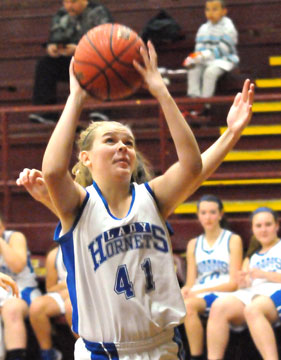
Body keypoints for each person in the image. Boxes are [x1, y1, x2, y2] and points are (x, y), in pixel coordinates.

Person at [17, 39, 254, 359]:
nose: (122, 146)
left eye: (128, 141)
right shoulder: (79, 206)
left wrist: (161, 91)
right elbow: (54, 170)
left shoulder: (152, 199)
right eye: (111, 140)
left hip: (163, 348)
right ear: (86, 158)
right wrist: (76, 98)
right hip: (103, 352)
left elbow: (192, 166)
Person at [207, 207, 281, 360]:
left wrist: (265, 274)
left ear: (277, 226)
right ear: (253, 229)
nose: (263, 230)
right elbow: (245, 285)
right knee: (219, 306)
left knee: (253, 309)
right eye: (258, 226)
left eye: (268, 224)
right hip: (254, 293)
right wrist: (243, 282)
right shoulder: (251, 256)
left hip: (275, 290)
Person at [29, 0, 113, 124]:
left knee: (107, 62)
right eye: (66, 2)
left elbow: (105, 41)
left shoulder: (99, 12)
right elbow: (55, 36)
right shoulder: (62, 14)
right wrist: (53, 47)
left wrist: (80, 48)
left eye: (73, 2)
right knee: (45, 65)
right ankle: (45, 112)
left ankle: (103, 110)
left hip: (94, 59)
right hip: (71, 60)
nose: (69, 6)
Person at [180, 194, 243, 360]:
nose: (208, 217)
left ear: (221, 214)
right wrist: (184, 290)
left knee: (189, 306)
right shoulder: (193, 244)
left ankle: (198, 356)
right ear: (198, 215)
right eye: (204, 212)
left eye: (212, 212)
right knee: (182, 303)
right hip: (200, 294)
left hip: (224, 294)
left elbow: (233, 284)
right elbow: (190, 282)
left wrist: (199, 290)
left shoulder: (232, 240)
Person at [183, 0, 239, 116]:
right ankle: (194, 101)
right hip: (205, 60)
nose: (210, 13)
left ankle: (205, 105)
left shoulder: (229, 28)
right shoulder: (203, 28)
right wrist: (194, 58)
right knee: (193, 68)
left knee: (210, 72)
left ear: (224, 11)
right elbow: (199, 49)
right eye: (208, 9)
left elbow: (222, 50)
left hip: (224, 60)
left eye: (215, 9)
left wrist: (204, 55)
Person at [0, 212, 41, 360]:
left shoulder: (15, 237)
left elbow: (17, 266)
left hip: (23, 291)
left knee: (11, 308)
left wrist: (0, 242)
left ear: (2, 227)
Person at [29, 244, 75, 360]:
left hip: (87, 292)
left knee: (71, 306)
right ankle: (49, 354)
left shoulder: (90, 244)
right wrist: (67, 287)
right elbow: (50, 287)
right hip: (63, 291)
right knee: (37, 307)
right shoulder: (54, 254)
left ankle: (89, 351)